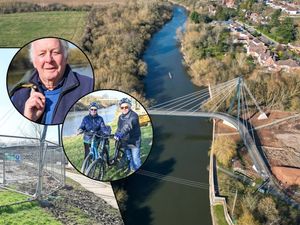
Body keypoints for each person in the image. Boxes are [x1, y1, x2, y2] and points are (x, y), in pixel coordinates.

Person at [10, 38, 93, 125]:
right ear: (34, 61)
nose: (49, 60)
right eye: (42, 54)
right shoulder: (17, 96)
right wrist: (28, 119)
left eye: (55, 53)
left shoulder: (88, 87)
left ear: (66, 58)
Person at [114, 97, 142, 172]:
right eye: (122, 107)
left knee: (136, 159)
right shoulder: (120, 117)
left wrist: (120, 134)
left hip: (134, 142)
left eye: (126, 107)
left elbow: (128, 126)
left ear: (130, 106)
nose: (124, 109)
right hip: (125, 141)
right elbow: (119, 128)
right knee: (129, 157)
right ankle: (132, 169)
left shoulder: (134, 116)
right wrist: (116, 133)